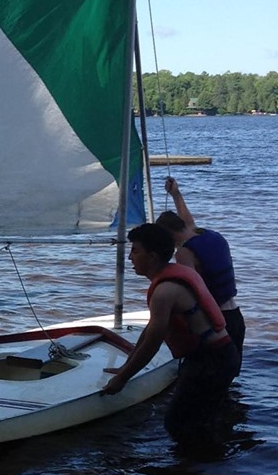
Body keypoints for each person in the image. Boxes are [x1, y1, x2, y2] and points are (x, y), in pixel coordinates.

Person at [103, 222, 239, 444]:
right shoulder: (175, 275)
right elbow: (150, 330)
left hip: (212, 361)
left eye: (135, 251)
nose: (130, 258)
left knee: (179, 424)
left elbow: (153, 342)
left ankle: (198, 471)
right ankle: (206, 468)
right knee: (195, 423)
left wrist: (122, 380)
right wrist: (125, 366)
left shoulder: (165, 292)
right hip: (215, 356)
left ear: (153, 256)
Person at [156, 176, 245, 368]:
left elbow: (193, 290)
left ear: (168, 236)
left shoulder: (184, 253)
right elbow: (188, 221)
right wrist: (176, 194)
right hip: (236, 316)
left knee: (211, 374)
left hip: (219, 321)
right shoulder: (210, 234)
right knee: (229, 375)